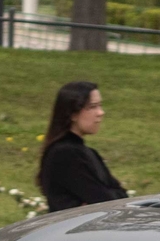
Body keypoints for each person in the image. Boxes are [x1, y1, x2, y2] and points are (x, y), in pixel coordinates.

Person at [36, 82, 128, 211]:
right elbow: (106, 201)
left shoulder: (87, 152)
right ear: (73, 114)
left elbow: (122, 199)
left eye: (100, 106)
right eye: (93, 106)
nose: (100, 113)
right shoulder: (64, 154)